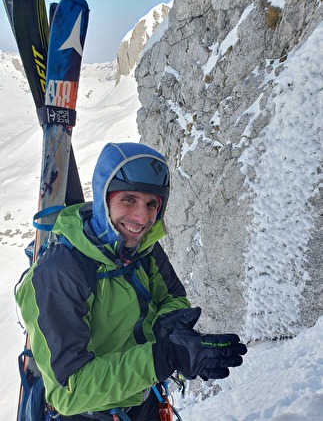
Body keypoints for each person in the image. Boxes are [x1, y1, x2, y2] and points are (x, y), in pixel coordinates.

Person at [16, 142, 247, 421]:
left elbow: (172, 297)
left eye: (152, 204)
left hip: (143, 402)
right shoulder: (61, 271)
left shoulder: (144, 248)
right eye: (128, 199)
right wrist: (165, 357)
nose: (141, 218)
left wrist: (170, 330)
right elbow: (70, 390)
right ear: (104, 199)